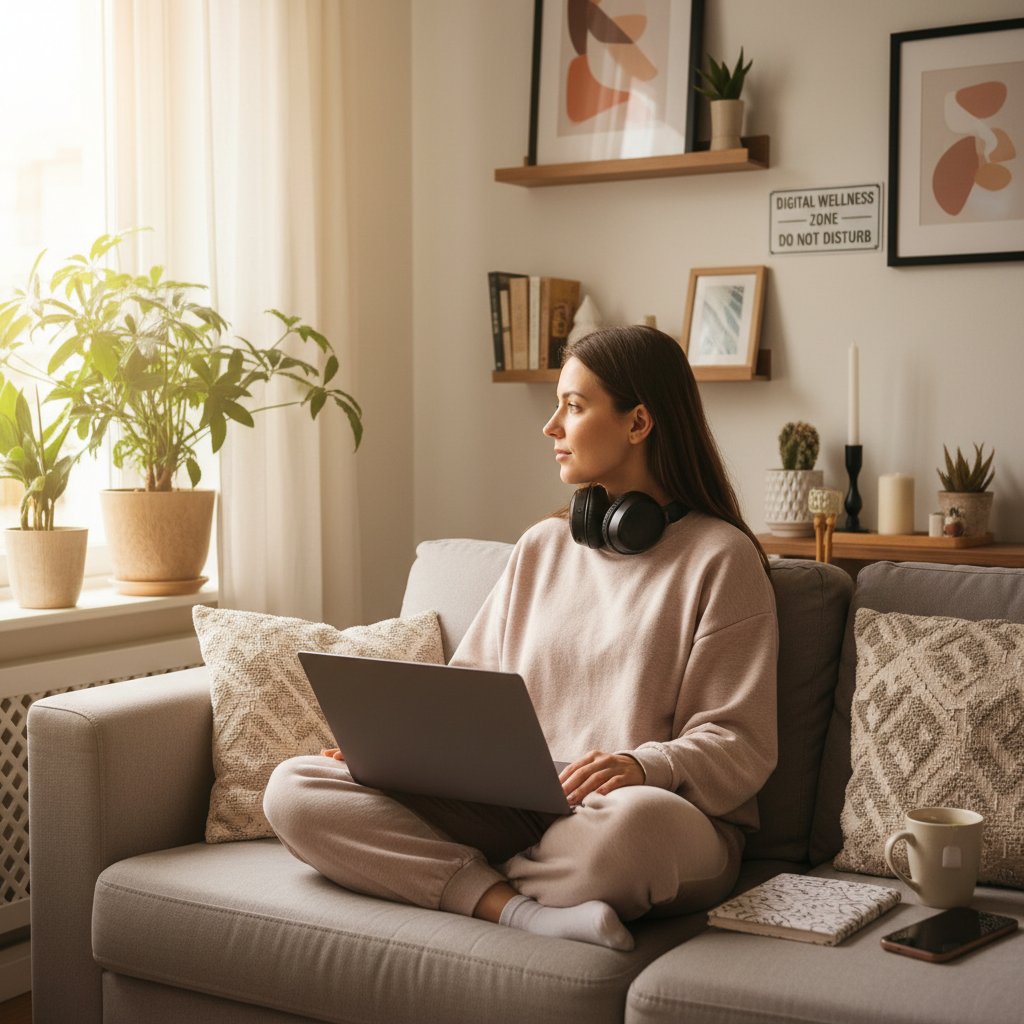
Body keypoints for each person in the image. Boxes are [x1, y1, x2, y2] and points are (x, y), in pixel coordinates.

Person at [264, 325, 778, 952]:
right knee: (294, 788)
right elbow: (470, 689)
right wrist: (393, 757)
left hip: (639, 813)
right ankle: (514, 908)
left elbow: (738, 744)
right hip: (512, 807)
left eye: (575, 405)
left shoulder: (720, 558)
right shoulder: (542, 546)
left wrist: (642, 764)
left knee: (629, 836)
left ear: (638, 422)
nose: (551, 426)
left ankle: (442, 873)